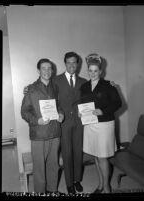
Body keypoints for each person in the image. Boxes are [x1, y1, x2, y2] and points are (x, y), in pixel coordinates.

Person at [79, 53, 122, 194]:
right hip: (90, 125)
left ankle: (107, 188)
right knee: (96, 155)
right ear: (88, 71)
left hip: (104, 125)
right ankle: (100, 184)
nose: (93, 73)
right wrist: (81, 112)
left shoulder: (109, 85)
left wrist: (102, 110)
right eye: (90, 70)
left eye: (95, 71)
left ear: (101, 71)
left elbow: (118, 103)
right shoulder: (84, 86)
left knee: (102, 156)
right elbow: (82, 103)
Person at [21, 58, 64, 194]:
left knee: (54, 164)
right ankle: (40, 192)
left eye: (49, 68)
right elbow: (24, 111)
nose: (47, 71)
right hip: (39, 134)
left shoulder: (55, 87)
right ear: (39, 70)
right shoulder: (31, 89)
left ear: (52, 70)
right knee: (39, 168)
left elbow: (59, 106)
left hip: (55, 133)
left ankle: (53, 190)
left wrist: (61, 114)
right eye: (44, 68)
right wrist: (37, 120)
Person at [53, 52, 87, 195]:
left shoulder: (83, 81)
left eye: (74, 62)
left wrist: (111, 85)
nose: (72, 65)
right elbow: (52, 100)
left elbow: (89, 100)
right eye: (69, 62)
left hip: (79, 122)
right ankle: (68, 183)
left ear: (78, 64)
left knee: (78, 152)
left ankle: (77, 179)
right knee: (66, 153)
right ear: (65, 63)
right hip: (64, 122)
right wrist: (28, 88)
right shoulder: (56, 80)